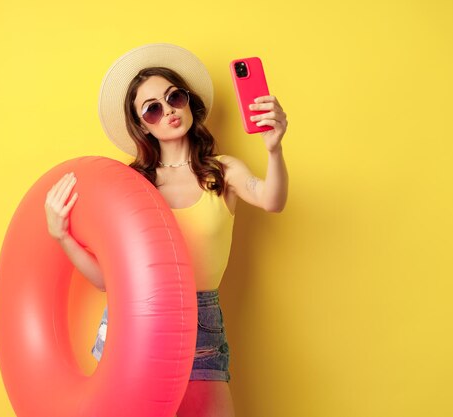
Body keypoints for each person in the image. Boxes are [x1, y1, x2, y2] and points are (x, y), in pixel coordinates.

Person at [44, 43, 288, 417]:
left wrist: (274, 149)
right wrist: (62, 236)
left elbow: (272, 199)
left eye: (174, 97)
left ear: (189, 101)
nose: (169, 110)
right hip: (134, 319)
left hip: (201, 321)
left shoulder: (223, 171)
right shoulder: (131, 183)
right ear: (142, 124)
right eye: (153, 108)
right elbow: (108, 279)